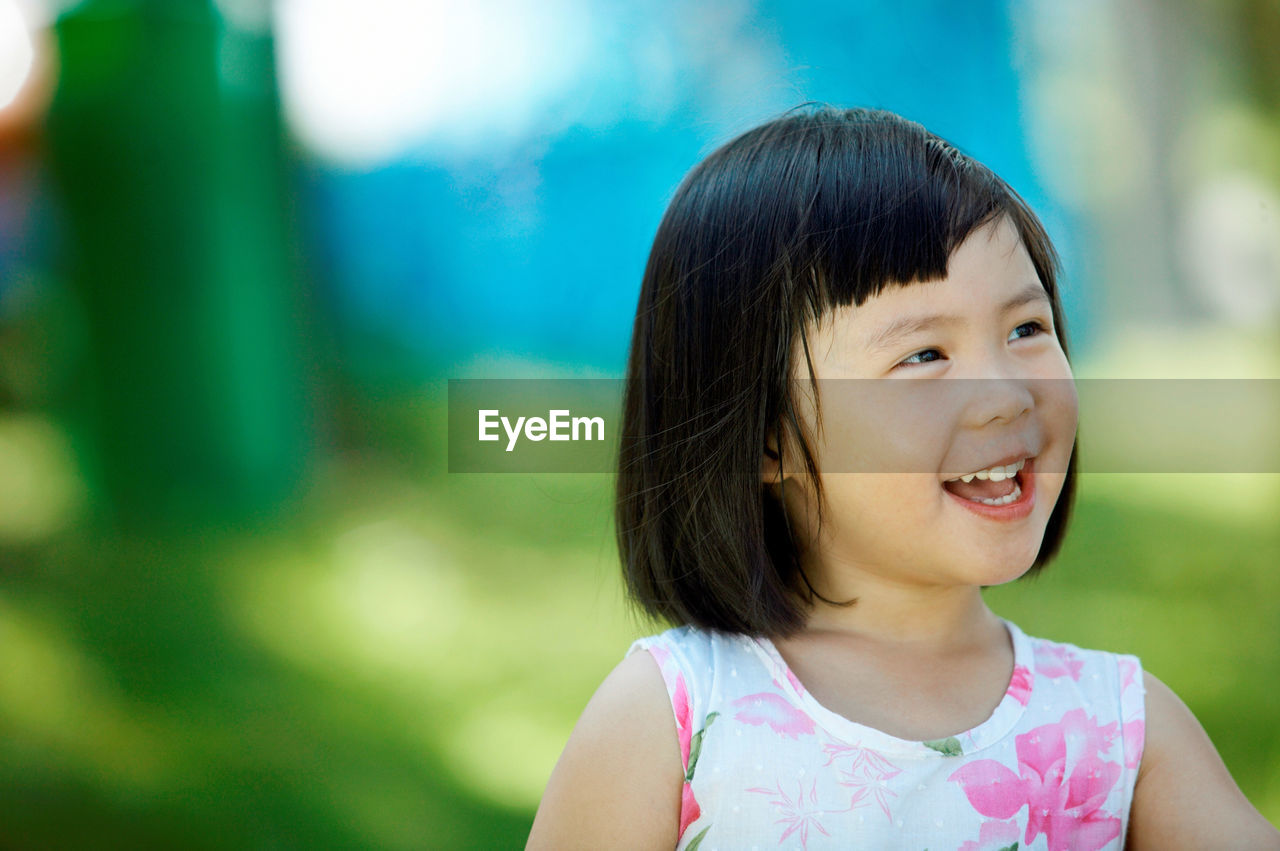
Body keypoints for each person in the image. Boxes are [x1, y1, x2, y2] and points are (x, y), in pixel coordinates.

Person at [527, 106, 1280, 850]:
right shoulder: (673, 720)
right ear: (762, 437)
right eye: (924, 355)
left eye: (1027, 329)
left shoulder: (1120, 732)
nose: (1005, 394)